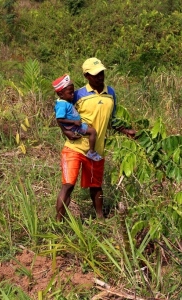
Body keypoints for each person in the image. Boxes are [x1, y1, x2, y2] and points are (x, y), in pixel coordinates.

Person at [56, 58, 136, 222]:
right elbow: (61, 113)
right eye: (95, 74)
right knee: (68, 185)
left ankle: (100, 220)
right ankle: (58, 223)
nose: (100, 77)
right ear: (86, 76)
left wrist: (126, 130)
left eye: (101, 73)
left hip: (96, 150)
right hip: (75, 147)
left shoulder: (111, 93)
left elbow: (111, 120)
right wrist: (66, 132)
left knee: (96, 186)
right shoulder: (77, 94)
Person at [53, 74, 102, 161]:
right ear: (60, 94)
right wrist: (73, 122)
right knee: (92, 131)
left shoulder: (66, 101)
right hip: (74, 126)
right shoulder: (62, 104)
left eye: (73, 92)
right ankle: (92, 152)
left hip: (75, 125)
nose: (73, 95)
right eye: (70, 93)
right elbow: (59, 119)